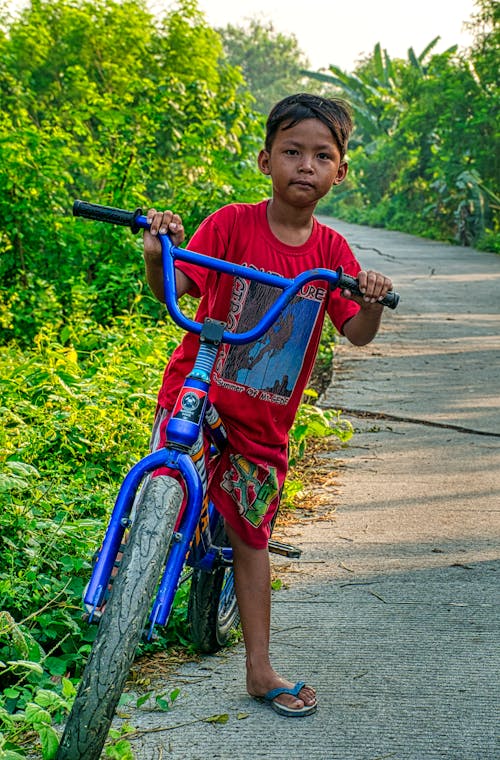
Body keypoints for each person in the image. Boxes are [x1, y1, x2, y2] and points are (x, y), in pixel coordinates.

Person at [142, 93, 393, 717]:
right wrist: (158, 255)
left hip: (263, 420)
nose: (304, 166)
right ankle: (132, 590)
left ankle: (259, 668)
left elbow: (356, 333)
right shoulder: (230, 224)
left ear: (340, 172)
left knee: (251, 537)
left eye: (321, 156)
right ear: (264, 160)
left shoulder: (333, 253)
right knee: (162, 489)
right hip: (200, 389)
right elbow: (177, 286)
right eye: (291, 151)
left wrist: (368, 297)